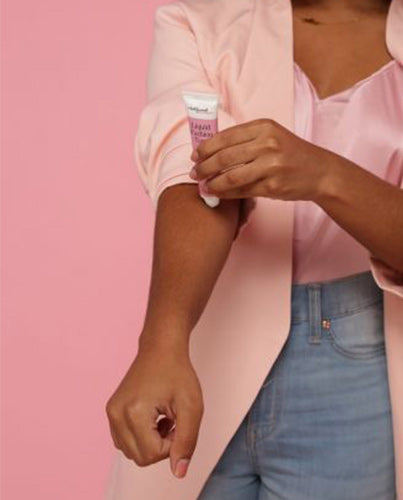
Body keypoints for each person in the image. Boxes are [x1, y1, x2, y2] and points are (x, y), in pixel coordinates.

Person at [105, 0, 403, 498]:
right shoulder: (203, 20)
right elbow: (191, 172)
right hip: (207, 347)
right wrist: (162, 342)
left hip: (365, 369)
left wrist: (325, 175)